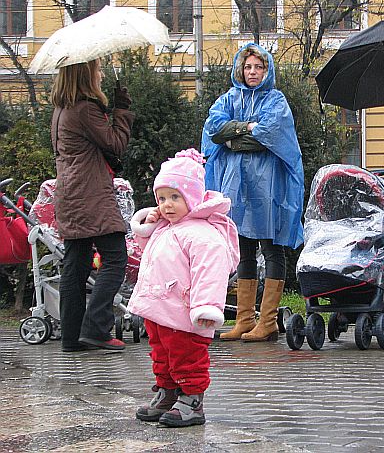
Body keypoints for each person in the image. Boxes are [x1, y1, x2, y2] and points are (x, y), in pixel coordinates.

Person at [127, 148, 240, 427]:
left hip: (185, 312)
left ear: (191, 197)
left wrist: (207, 307)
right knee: (161, 354)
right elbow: (152, 256)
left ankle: (192, 399)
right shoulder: (167, 228)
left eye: (175, 197)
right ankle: (167, 391)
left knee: (186, 356)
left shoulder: (203, 234)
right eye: (162, 199)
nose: (167, 205)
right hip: (159, 308)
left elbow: (210, 273)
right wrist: (148, 227)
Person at [202, 43, 304, 342]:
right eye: (248, 67)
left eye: (258, 67)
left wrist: (233, 138)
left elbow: (270, 136)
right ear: (240, 70)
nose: (252, 72)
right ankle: (244, 319)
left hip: (267, 186)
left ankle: (268, 321)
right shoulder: (228, 99)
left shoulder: (276, 101)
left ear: (267, 70)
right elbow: (214, 129)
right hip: (235, 185)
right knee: (244, 249)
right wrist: (247, 128)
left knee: (271, 247)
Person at [51, 59, 134, 352]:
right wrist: (122, 110)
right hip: (91, 193)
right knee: (115, 258)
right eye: (97, 69)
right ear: (86, 74)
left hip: (70, 193)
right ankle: (96, 328)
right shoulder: (85, 109)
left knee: (76, 264)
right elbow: (115, 144)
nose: (100, 74)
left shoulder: (62, 110)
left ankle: (72, 337)